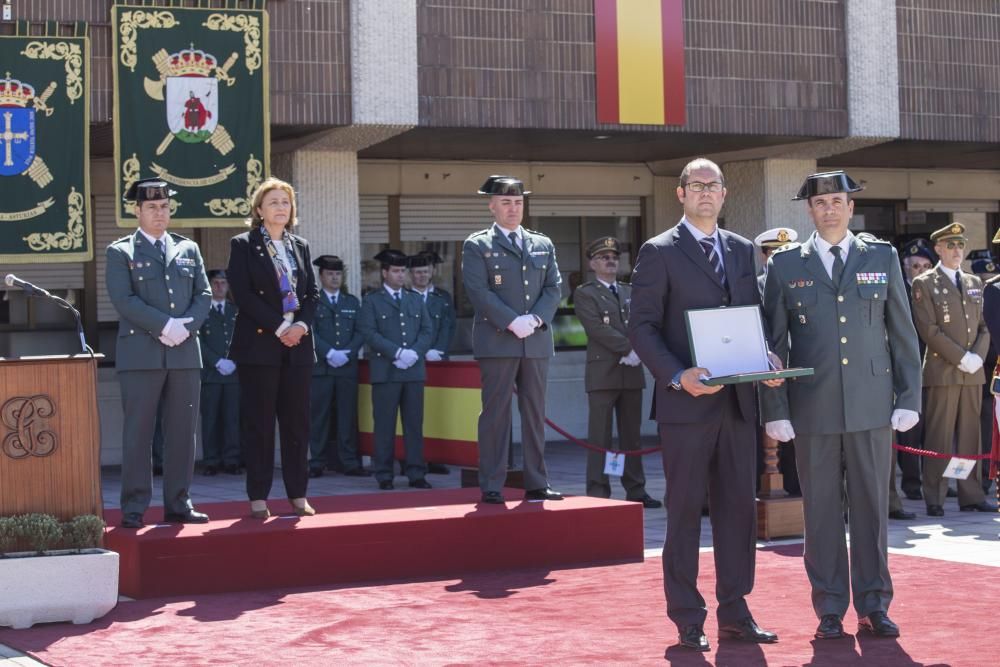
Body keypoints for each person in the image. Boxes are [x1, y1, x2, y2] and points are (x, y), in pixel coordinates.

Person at [761, 170, 922, 640]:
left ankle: (874, 604)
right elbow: (773, 343)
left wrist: (908, 397)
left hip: (873, 405)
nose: (829, 208)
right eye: (820, 202)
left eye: (837, 200)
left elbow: (902, 332)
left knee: (872, 509)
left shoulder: (882, 256)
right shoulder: (787, 264)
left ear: (851, 208)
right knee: (822, 511)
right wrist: (777, 408)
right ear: (808, 211)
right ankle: (829, 607)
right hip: (813, 408)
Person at [628, 158, 781, 652]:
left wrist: (765, 357)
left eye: (714, 186)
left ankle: (735, 612)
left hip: (738, 403)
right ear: (681, 194)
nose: (706, 193)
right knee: (686, 512)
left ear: (725, 193)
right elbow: (643, 327)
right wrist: (676, 375)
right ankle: (688, 617)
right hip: (686, 406)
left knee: (739, 511)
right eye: (697, 186)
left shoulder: (741, 250)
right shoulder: (658, 252)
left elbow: (749, 317)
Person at [105, 177, 212, 529]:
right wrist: (166, 325)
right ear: (136, 210)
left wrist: (187, 326)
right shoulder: (121, 252)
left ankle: (179, 503)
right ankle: (134, 507)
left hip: (184, 355)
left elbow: (204, 295)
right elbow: (124, 300)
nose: (159, 213)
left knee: (183, 432)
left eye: (164, 206)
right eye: (151, 207)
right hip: (141, 356)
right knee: (139, 433)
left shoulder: (188, 249)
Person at [461, 175, 563, 505]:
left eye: (518, 202)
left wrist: (534, 319)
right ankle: (492, 482)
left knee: (535, 412)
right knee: (496, 414)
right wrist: (511, 321)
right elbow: (478, 291)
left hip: (534, 340)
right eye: (505, 202)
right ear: (491, 206)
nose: (513, 208)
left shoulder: (541, 243)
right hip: (498, 340)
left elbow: (553, 288)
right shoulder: (477, 245)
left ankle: (537, 480)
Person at [227, 177, 319, 519]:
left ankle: (298, 495)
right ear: (259, 210)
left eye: (286, 202)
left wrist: (301, 326)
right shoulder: (243, 244)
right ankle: (258, 498)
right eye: (274, 202)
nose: (281, 207)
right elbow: (243, 293)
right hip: (260, 346)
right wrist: (281, 326)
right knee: (260, 424)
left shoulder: (301, 245)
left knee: (297, 424)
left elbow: (312, 294)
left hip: (298, 346)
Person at [910, 223, 995, 515]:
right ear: (938, 249)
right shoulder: (925, 283)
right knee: (939, 436)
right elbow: (929, 329)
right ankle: (935, 495)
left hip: (973, 371)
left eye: (960, 246)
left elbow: (985, 327)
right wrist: (961, 357)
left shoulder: (973, 282)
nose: (957, 251)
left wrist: (977, 357)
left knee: (971, 436)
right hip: (943, 370)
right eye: (951, 246)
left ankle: (970, 493)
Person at [573, 236, 660, 509]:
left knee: (631, 435)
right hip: (604, 373)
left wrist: (639, 351)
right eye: (603, 257)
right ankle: (598, 490)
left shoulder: (629, 291)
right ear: (591, 264)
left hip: (631, 372)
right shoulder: (585, 293)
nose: (610, 261)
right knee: (600, 435)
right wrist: (628, 349)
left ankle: (636, 489)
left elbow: (643, 322)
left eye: (614, 257)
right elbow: (596, 328)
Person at [358, 249, 434, 490]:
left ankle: (416, 472)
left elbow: (427, 330)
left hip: (412, 371)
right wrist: (397, 353)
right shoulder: (372, 300)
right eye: (396, 271)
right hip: (386, 372)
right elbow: (368, 332)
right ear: (384, 273)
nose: (401, 276)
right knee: (384, 425)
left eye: (403, 271)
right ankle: (384, 473)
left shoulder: (414, 299)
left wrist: (414, 353)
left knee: (414, 424)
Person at [308, 254, 368, 478]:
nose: (334, 278)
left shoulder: (351, 302)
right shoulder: (312, 301)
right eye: (330, 274)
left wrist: (348, 352)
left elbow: (362, 330)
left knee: (347, 416)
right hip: (322, 369)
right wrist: (329, 352)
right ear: (321, 276)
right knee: (319, 416)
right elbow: (308, 331)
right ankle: (316, 462)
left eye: (338, 274)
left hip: (346, 367)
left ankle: (349, 462)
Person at [753, 227, 801, 498]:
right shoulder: (756, 287)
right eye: (774, 253)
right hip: (768, 371)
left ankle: (797, 490)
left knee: (796, 440)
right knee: (766, 439)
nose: (780, 258)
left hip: (798, 370)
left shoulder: (802, 283)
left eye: (786, 252)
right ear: (764, 256)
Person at [892, 238, 937, 509]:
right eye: (915, 266)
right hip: (909, 368)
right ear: (905, 268)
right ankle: (912, 483)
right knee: (910, 431)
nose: (920, 270)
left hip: (935, 367)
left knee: (933, 429)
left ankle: (935, 480)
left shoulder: (935, 291)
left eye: (925, 265)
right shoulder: (901, 291)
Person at [407, 249, 457, 475]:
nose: (421, 276)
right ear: (411, 274)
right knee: (414, 413)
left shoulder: (443, 298)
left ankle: (436, 457)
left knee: (437, 410)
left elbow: (449, 327)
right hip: (411, 363)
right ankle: (412, 458)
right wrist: (418, 352)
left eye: (425, 272)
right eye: (417, 272)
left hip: (437, 362)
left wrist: (438, 350)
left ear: (432, 272)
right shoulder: (406, 296)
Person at [198, 269, 242, 476]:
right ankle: (211, 461)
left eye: (223, 283)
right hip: (211, 375)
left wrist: (235, 360)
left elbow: (246, 338)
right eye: (215, 283)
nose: (219, 287)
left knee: (232, 419)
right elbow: (197, 341)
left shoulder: (235, 311)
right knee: (211, 419)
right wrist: (216, 361)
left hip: (233, 374)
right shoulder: (202, 310)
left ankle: (232, 459)